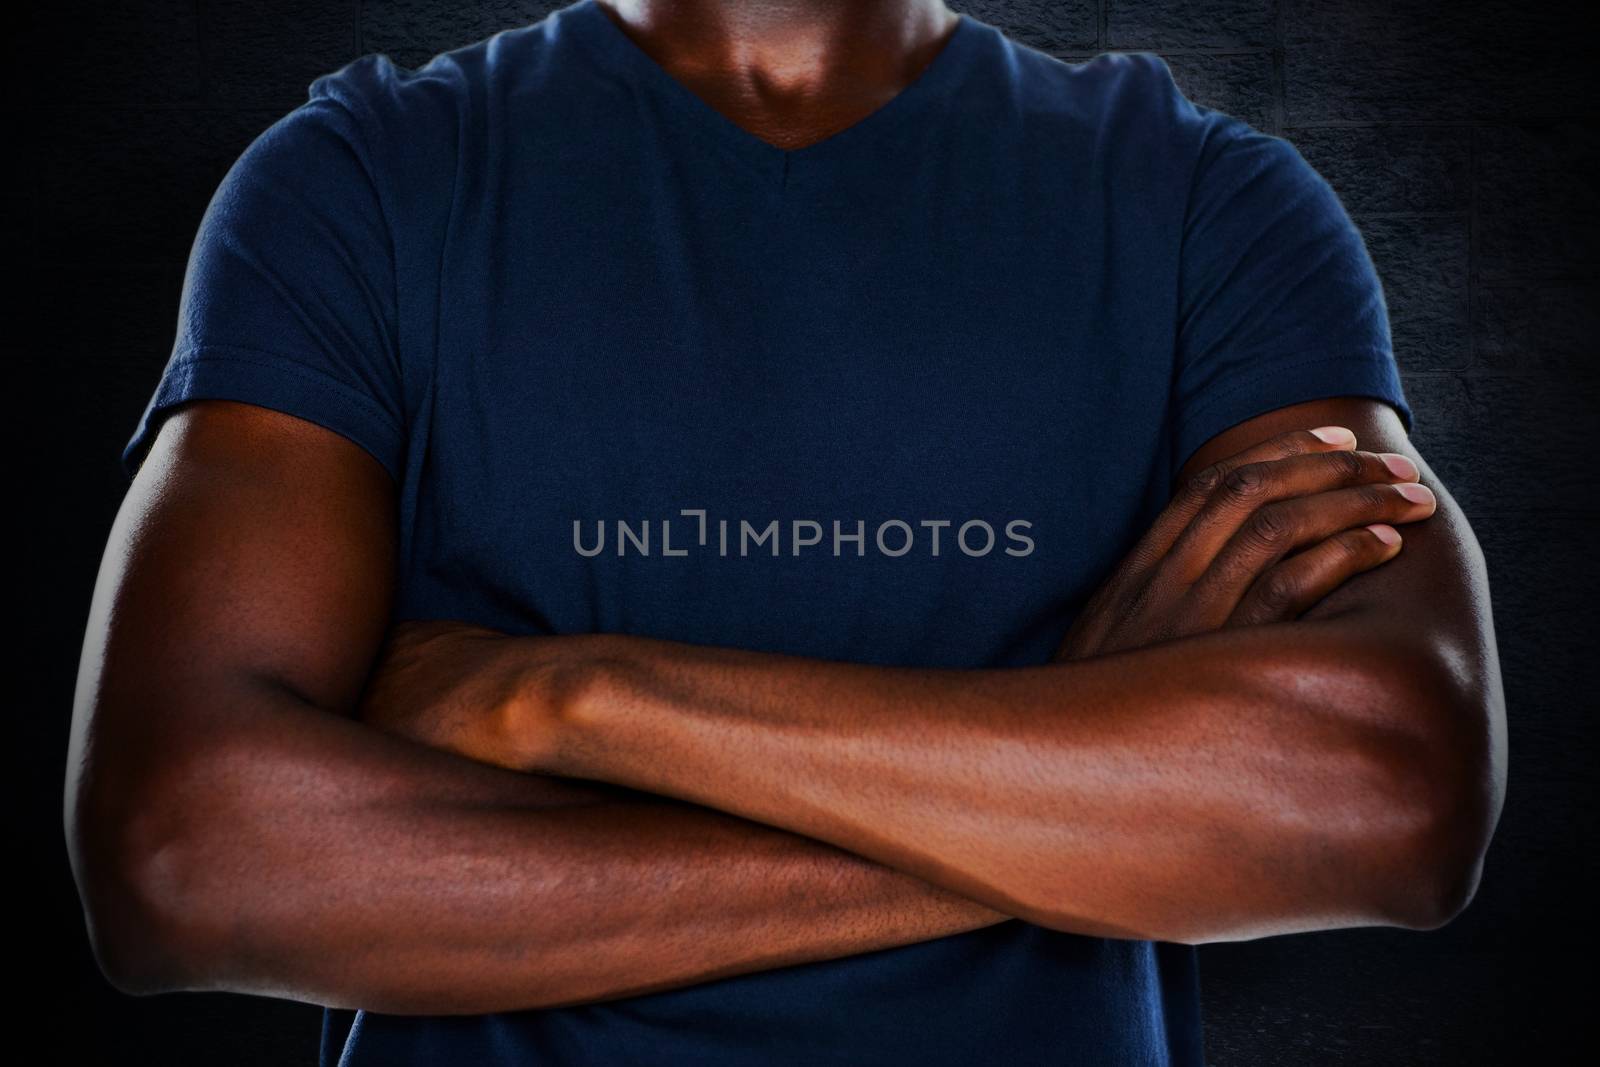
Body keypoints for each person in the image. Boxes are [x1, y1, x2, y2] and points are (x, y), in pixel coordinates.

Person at [65, 1, 1506, 1064]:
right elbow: (180, 857)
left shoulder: (1214, 206)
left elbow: (1390, 801)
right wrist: (1070, 777)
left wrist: (558, 695)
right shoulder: (361, 181)